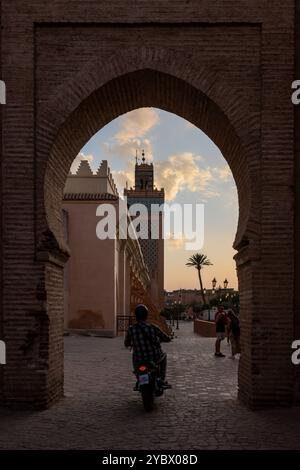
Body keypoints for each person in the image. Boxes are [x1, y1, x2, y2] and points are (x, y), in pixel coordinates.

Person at [124, 304, 171, 387]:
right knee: (164, 356)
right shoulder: (152, 327)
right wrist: (166, 339)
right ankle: (162, 379)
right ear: (146, 315)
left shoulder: (131, 329)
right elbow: (166, 337)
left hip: (139, 358)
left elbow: (126, 343)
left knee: (134, 358)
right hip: (154, 357)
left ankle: (138, 377)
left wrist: (131, 343)